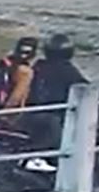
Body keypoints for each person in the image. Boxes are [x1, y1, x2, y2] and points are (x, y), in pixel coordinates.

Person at [24, 34, 89, 171]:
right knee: (65, 142)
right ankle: (53, 164)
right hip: (52, 114)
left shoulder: (39, 66)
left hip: (32, 112)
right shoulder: (66, 70)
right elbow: (86, 90)